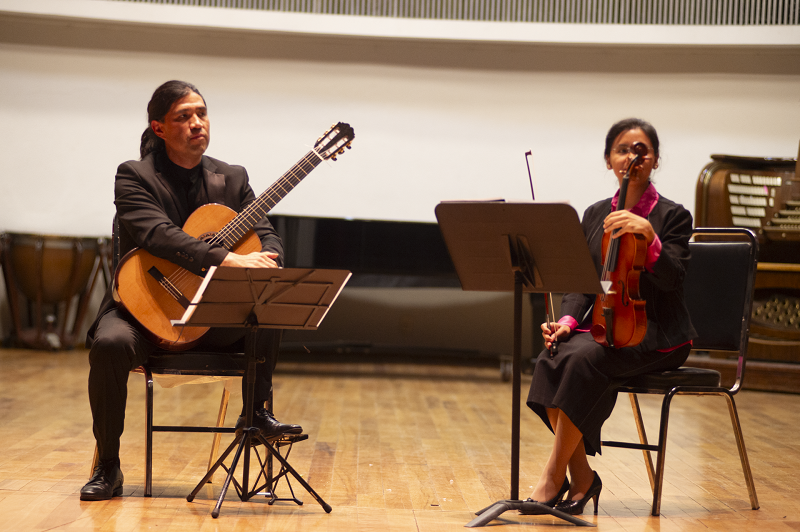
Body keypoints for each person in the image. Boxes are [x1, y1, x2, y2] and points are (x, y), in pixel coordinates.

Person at [81, 80, 301, 501]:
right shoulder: (135, 176)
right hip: (143, 310)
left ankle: (255, 414)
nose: (197, 123)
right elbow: (160, 236)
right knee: (109, 345)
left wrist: (267, 258)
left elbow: (266, 234)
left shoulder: (232, 178)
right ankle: (108, 466)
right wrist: (228, 260)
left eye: (201, 113)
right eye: (184, 116)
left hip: (209, 317)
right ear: (159, 128)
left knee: (266, 306)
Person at [524, 118, 697, 515]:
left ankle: (552, 477)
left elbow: (673, 279)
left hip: (658, 333)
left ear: (654, 161)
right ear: (608, 161)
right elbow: (584, 283)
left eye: (641, 150)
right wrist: (568, 322)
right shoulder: (595, 214)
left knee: (584, 360)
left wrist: (649, 237)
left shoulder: (672, 216)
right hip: (606, 325)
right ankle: (583, 478)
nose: (631, 157)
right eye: (622, 150)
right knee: (553, 355)